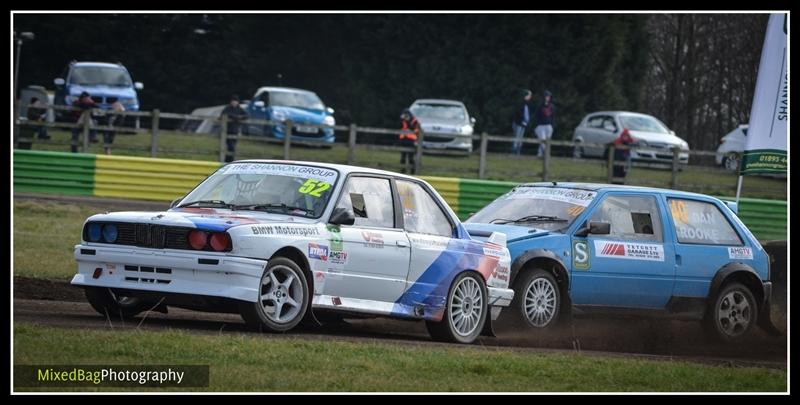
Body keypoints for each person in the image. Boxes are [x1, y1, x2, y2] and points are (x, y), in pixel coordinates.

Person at [220, 94, 249, 163]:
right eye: (233, 101)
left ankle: (229, 160)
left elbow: (247, 115)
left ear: (238, 102)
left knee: (232, 147)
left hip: (235, 131)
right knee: (230, 146)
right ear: (231, 102)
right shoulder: (227, 108)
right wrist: (235, 117)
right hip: (227, 130)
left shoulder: (240, 109)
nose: (234, 102)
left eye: (235, 101)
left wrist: (239, 117)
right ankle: (229, 160)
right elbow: (223, 115)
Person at [534, 90, 556, 157]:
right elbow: (537, 116)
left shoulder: (552, 106)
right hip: (541, 126)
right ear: (544, 97)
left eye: (549, 96)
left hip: (549, 126)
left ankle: (540, 154)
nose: (548, 98)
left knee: (547, 142)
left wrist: (552, 126)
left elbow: (553, 116)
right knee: (542, 141)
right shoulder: (540, 106)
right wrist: (538, 124)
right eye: (546, 96)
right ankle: (545, 154)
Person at [399, 108, 420, 174]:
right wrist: (402, 119)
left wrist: (408, 122)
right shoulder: (403, 120)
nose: (405, 116)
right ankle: (402, 172)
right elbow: (400, 127)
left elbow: (416, 130)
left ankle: (412, 172)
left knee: (411, 158)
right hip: (404, 139)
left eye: (406, 115)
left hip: (411, 140)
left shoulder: (414, 121)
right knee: (403, 157)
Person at [510, 89, 532, 155]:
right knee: (516, 138)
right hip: (518, 123)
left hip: (523, 124)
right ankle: (514, 153)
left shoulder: (526, 104)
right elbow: (519, 113)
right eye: (529, 95)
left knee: (520, 139)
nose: (530, 97)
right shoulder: (520, 103)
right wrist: (522, 120)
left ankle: (518, 153)